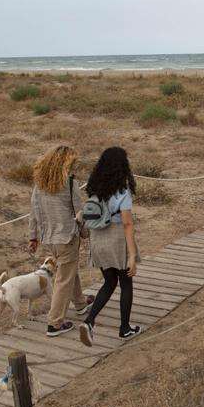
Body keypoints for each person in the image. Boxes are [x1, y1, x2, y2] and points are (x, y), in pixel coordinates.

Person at [80, 147, 141, 345]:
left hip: (98, 238)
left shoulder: (94, 185)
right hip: (116, 238)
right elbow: (127, 222)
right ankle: (124, 328)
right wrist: (132, 255)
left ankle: (89, 321)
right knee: (126, 283)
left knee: (109, 282)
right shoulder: (122, 189)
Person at [28, 146, 88, 337]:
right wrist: (86, 233)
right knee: (64, 278)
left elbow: (33, 214)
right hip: (67, 237)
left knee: (67, 270)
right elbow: (81, 213)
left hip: (49, 239)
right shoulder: (70, 184)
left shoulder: (39, 185)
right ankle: (54, 323)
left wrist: (33, 237)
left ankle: (80, 303)